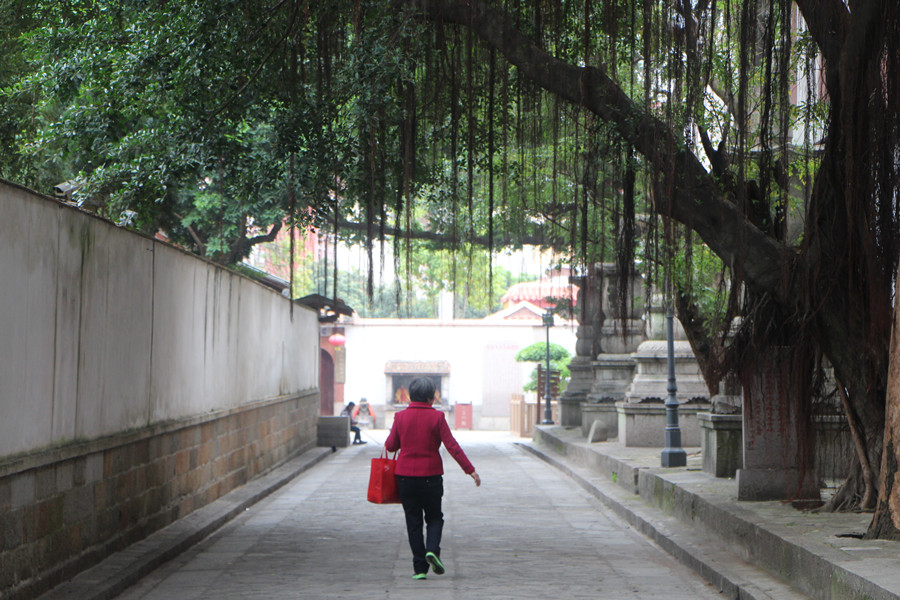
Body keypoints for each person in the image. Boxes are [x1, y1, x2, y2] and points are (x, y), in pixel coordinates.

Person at [385, 377, 481, 580]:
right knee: (435, 517)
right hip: (431, 476)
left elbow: (391, 445)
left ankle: (419, 569)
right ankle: (432, 550)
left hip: (404, 478)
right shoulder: (437, 418)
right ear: (431, 396)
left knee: (413, 522)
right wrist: (469, 469)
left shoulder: (400, 417)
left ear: (411, 395)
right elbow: (452, 446)